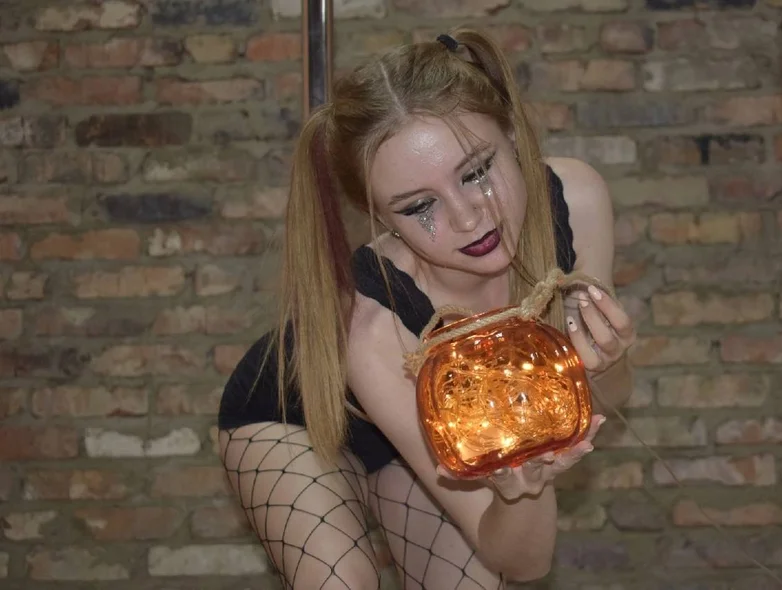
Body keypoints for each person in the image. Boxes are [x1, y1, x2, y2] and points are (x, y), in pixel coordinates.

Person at [216, 28, 636, 590]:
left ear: (513, 134)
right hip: (297, 412)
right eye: (419, 207)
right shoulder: (371, 323)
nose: (467, 218)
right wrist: (525, 484)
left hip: (416, 426)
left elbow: (526, 561)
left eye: (477, 172)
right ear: (380, 218)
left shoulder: (576, 200)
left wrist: (601, 372)